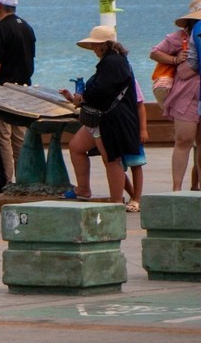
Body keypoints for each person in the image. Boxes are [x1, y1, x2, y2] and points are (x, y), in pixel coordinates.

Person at [59, 25, 144, 208]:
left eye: (96, 45)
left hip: (111, 119)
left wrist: (83, 98)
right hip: (101, 118)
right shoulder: (115, 61)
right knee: (76, 147)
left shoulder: (113, 63)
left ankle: (115, 202)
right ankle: (83, 189)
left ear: (105, 45)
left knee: (111, 160)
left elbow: (102, 91)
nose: (94, 49)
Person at [0, 0, 36, 184]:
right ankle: (24, 178)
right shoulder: (27, 28)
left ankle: (7, 180)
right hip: (24, 90)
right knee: (20, 137)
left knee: (3, 137)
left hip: (4, 93)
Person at [150, 0, 201, 190]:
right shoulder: (180, 37)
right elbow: (155, 52)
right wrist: (174, 59)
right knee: (183, 140)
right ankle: (177, 188)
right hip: (185, 96)